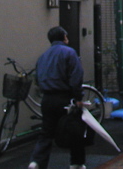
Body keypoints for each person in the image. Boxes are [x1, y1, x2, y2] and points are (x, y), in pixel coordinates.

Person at [29, 26, 86, 169]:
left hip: (47, 99)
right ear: (64, 37)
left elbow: (38, 78)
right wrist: (78, 97)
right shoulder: (69, 52)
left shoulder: (43, 56)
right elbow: (76, 76)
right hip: (64, 98)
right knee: (74, 130)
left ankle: (36, 162)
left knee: (46, 132)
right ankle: (76, 163)